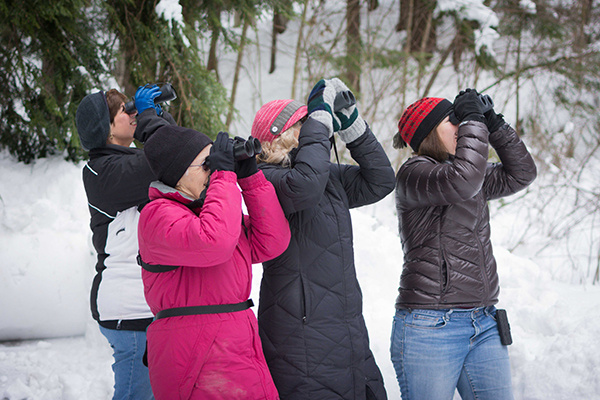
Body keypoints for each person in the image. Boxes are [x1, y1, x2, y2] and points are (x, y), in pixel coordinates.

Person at [251, 78, 394, 399]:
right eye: (307, 124)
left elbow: (381, 181)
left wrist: (353, 127)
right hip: (300, 334)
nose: (319, 128)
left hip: (345, 326)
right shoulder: (265, 180)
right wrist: (319, 115)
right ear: (280, 136)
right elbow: (304, 185)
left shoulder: (326, 177)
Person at [390, 89, 537, 400]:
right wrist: (472, 119)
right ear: (429, 133)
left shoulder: (469, 175)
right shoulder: (414, 174)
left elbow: (522, 173)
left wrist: (493, 123)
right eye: (452, 121)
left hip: (483, 322)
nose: (460, 127)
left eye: (462, 121)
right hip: (430, 324)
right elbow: (463, 179)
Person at [136, 126, 291, 400]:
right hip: (197, 359)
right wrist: (223, 177)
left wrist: (250, 178)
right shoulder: (156, 216)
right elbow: (214, 243)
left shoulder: (214, 213)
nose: (212, 171)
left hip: (237, 347)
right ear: (178, 174)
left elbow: (272, 241)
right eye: (207, 164)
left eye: (215, 162)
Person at [75, 84, 175, 400]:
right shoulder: (102, 171)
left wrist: (158, 117)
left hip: (146, 307)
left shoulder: (125, 161)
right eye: (125, 111)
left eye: (133, 109)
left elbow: (179, 159)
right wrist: (148, 118)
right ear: (105, 129)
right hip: (129, 312)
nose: (132, 114)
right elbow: (164, 159)